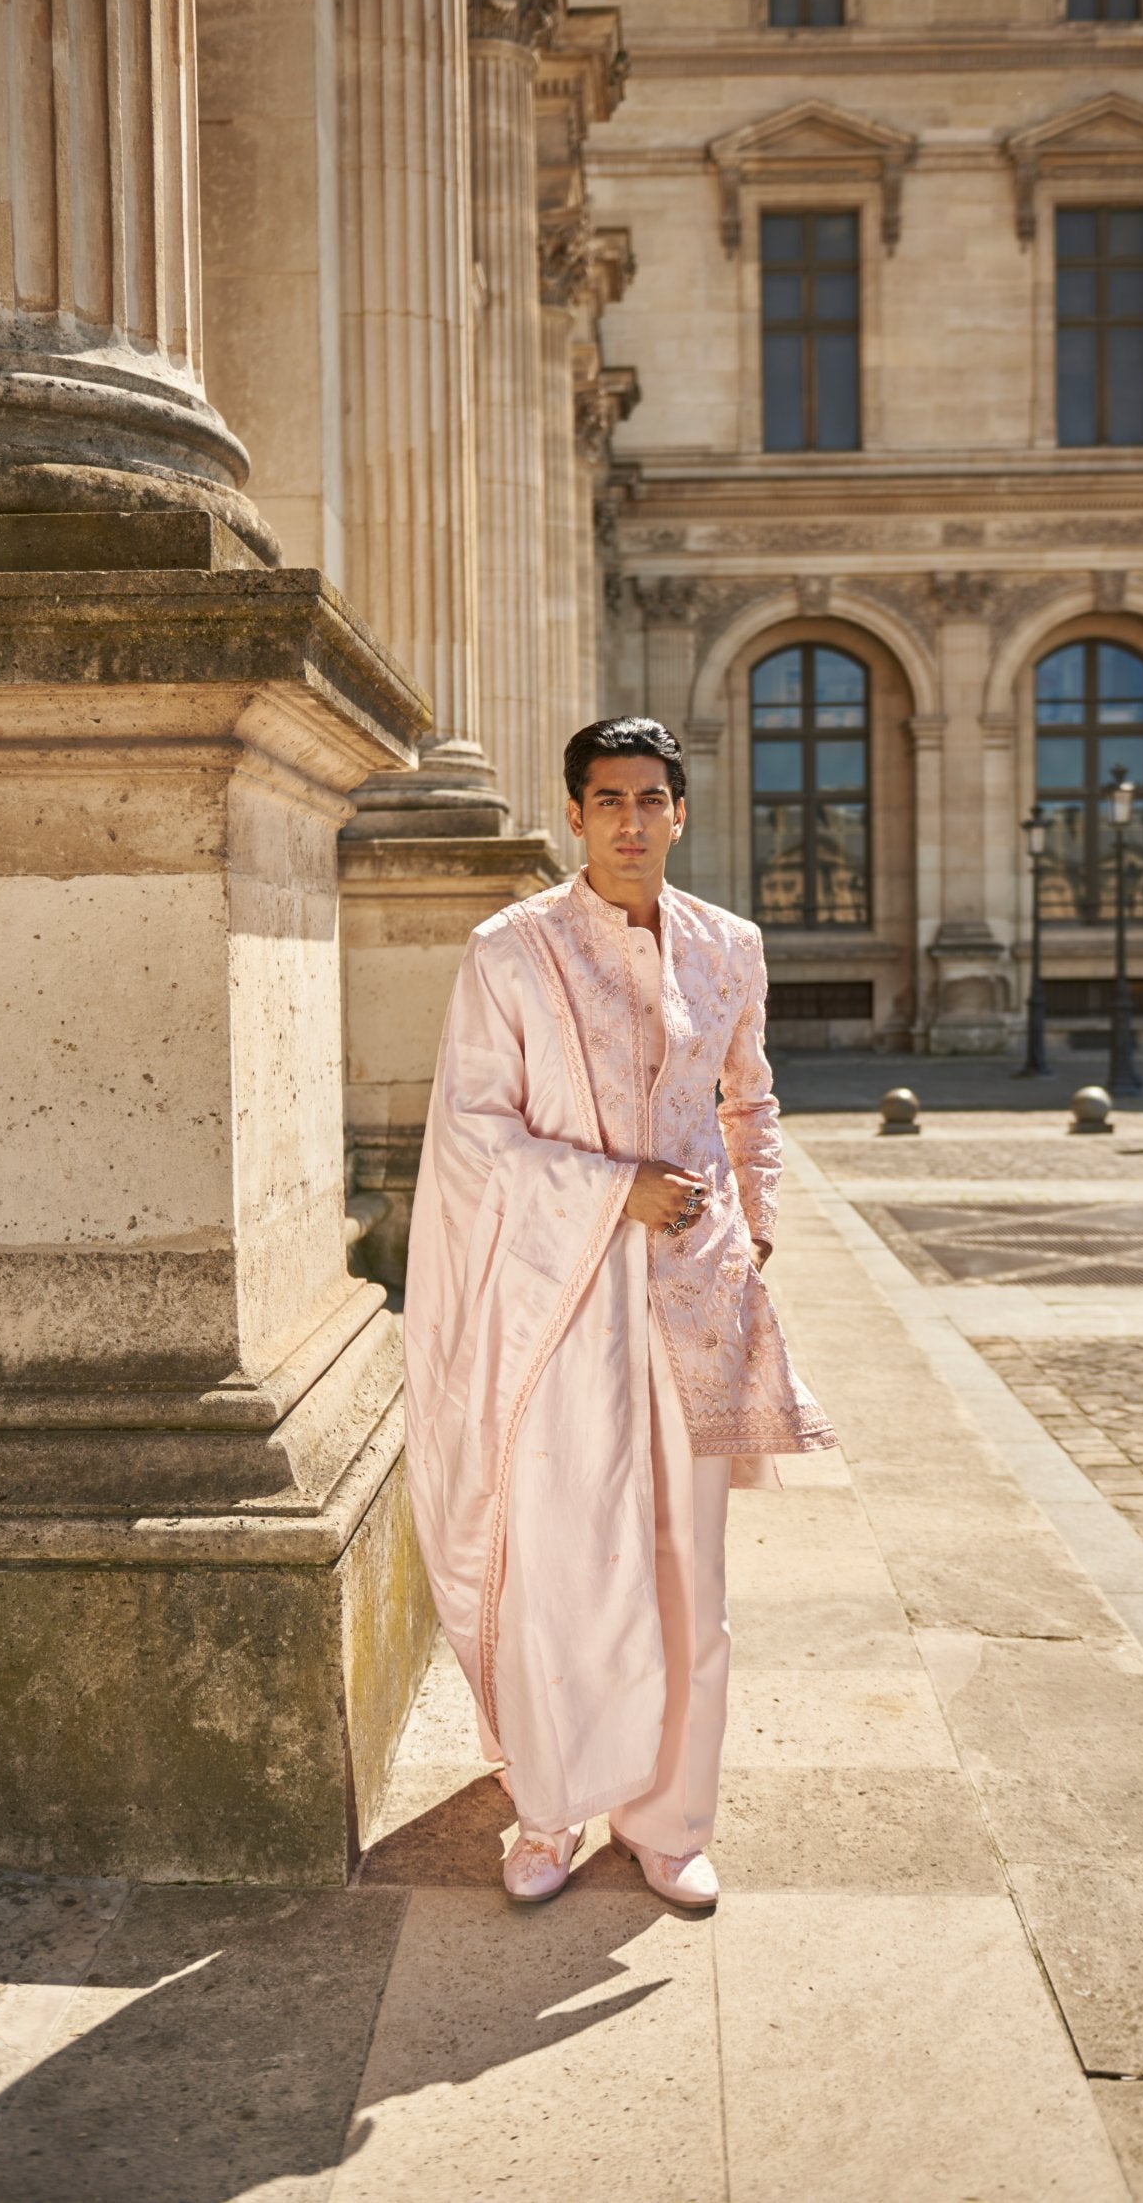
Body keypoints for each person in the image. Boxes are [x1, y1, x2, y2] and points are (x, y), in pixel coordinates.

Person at [403, 716, 836, 1910]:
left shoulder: (729, 947)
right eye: (608, 801)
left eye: (652, 800)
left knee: (689, 1571)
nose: (631, 822)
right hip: (562, 1300)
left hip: (696, 1300)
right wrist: (612, 1192)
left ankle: (669, 1823)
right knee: (565, 1561)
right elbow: (476, 1131)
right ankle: (551, 1812)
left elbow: (750, 1100)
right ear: (576, 815)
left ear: (679, 813)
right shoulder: (510, 953)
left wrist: (760, 1224)